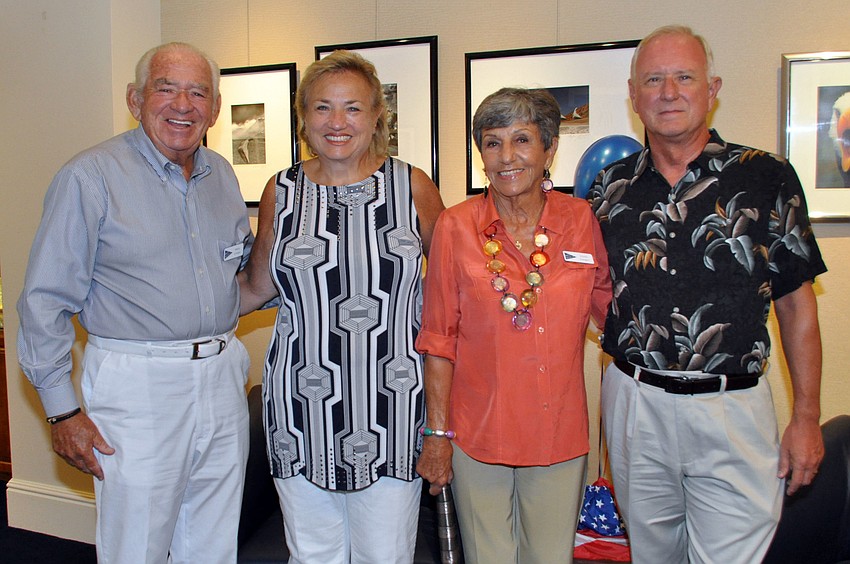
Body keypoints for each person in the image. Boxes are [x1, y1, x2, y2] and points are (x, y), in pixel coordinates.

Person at [587, 25, 827, 563]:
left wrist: (806, 416)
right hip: (635, 406)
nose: (669, 91)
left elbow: (797, 305)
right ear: (633, 95)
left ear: (712, 88)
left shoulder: (767, 177)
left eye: (684, 77)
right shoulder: (608, 188)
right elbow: (595, 290)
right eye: (653, 79)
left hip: (732, 408)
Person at [17, 42, 252, 563]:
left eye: (198, 93)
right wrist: (62, 414)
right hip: (138, 384)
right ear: (135, 98)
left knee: (213, 542)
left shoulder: (222, 175)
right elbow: (42, 303)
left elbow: (239, 274)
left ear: (214, 108)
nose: (182, 105)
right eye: (166, 88)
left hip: (220, 376)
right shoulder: (90, 177)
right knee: (137, 544)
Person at [237, 50, 444, 564]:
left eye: (352, 108)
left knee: (386, 554)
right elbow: (257, 286)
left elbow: (452, 297)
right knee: (312, 554)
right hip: (299, 408)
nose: (337, 122)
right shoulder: (280, 191)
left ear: (377, 116)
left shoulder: (412, 186)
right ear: (303, 116)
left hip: (392, 408)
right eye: (322, 107)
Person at [415, 87, 612, 563]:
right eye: (492, 142)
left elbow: (612, 311)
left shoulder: (581, 219)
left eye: (522, 140)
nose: (506, 157)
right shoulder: (456, 227)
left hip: (558, 434)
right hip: (477, 435)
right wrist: (437, 437)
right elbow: (439, 339)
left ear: (548, 148)